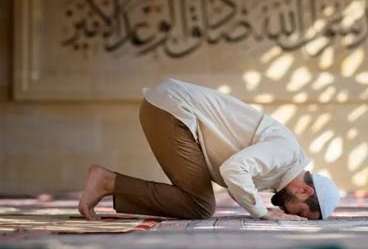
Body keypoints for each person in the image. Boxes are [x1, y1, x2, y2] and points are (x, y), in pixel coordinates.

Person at [78, 78, 340, 221]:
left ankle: (110, 182)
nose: (291, 215)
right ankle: (107, 182)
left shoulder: (279, 171)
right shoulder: (286, 154)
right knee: (200, 206)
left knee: (199, 205)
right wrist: (262, 213)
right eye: (302, 212)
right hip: (172, 110)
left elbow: (235, 176)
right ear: (305, 190)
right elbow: (234, 169)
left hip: (169, 110)